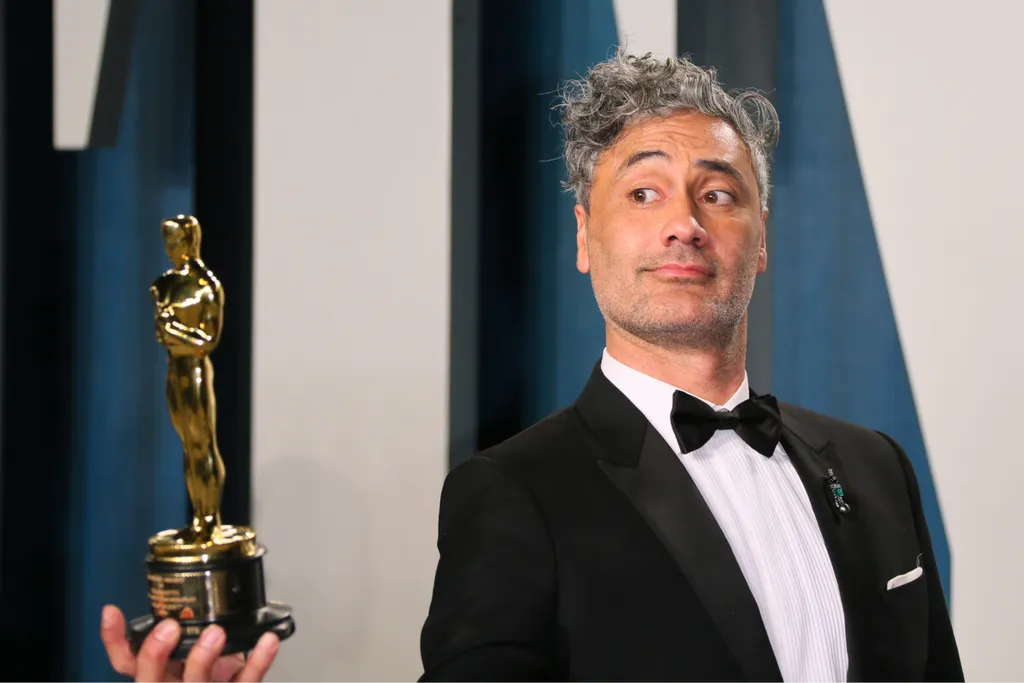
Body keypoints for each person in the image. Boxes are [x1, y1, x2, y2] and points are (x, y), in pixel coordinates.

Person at [417, 51, 964, 681]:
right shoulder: (513, 495)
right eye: (643, 194)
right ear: (584, 235)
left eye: (717, 194)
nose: (684, 224)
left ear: (762, 238)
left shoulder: (877, 468)